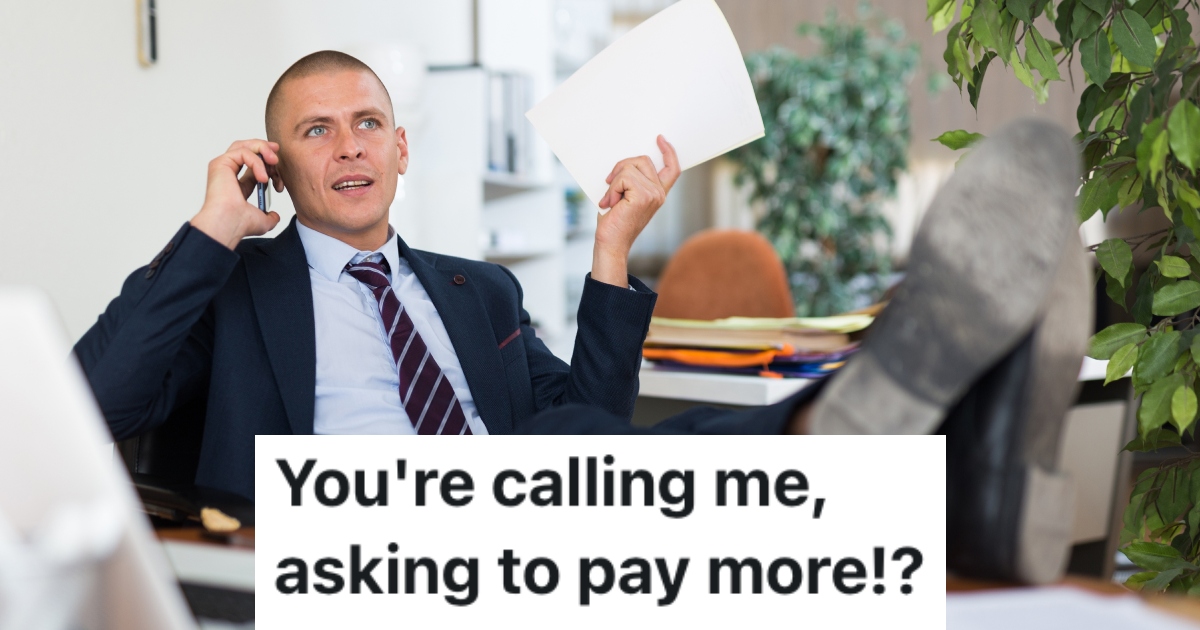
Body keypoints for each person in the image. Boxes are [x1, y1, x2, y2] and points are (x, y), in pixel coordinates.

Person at [73, 51, 679, 500]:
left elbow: (589, 442)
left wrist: (612, 248)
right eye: (317, 130)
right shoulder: (233, 289)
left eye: (368, 123)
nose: (350, 147)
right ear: (274, 171)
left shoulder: (485, 292)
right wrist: (213, 229)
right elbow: (94, 404)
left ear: (401, 150)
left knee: (701, 441)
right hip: (342, 569)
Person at [518, 118, 1093, 585]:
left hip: (553, 513)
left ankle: (950, 482)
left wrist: (612, 248)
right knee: (553, 443)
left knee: (579, 437)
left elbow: (596, 423)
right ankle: (900, 461)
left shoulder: (481, 292)